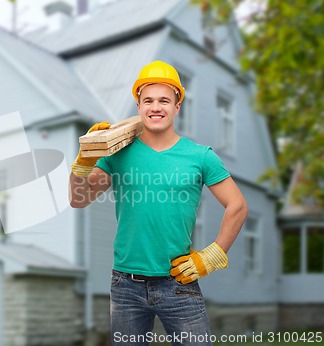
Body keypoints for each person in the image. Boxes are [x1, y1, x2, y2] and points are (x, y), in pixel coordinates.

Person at [69, 60, 249, 346]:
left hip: (179, 283)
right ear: (138, 106)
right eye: (148, 100)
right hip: (125, 286)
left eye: (165, 100)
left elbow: (237, 205)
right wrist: (82, 163)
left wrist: (211, 256)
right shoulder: (117, 153)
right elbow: (78, 199)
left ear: (177, 106)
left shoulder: (200, 156)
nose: (156, 107)